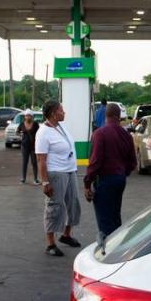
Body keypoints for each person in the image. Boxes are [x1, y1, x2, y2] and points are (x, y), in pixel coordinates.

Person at [84, 103, 136, 245]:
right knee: (114, 215)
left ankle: (109, 252)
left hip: (105, 180)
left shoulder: (100, 134)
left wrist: (87, 183)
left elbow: (94, 163)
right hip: (120, 179)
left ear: (105, 115)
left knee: (105, 220)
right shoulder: (126, 135)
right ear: (119, 116)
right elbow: (132, 163)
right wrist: (122, 174)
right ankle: (119, 245)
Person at [35, 100, 82, 256]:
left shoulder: (60, 126)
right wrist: (45, 182)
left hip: (70, 170)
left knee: (73, 204)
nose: (64, 112)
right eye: (62, 110)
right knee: (55, 206)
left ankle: (66, 235)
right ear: (54, 113)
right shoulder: (43, 132)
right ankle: (50, 244)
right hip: (56, 173)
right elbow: (41, 159)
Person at [17, 109, 40, 184]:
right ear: (25, 117)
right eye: (27, 116)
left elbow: (40, 133)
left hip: (33, 146)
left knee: (34, 162)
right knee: (25, 162)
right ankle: (23, 178)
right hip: (24, 146)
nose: (28, 117)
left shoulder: (35, 124)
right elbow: (17, 132)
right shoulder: (22, 124)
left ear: (32, 116)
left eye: (29, 116)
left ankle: (35, 179)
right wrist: (20, 134)